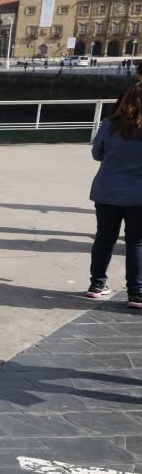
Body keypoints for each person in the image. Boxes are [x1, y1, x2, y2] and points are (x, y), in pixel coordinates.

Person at [85, 82, 142, 309]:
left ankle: (97, 285)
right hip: (138, 195)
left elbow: (97, 153)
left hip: (106, 191)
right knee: (136, 242)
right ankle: (136, 293)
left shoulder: (109, 125)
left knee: (104, 237)